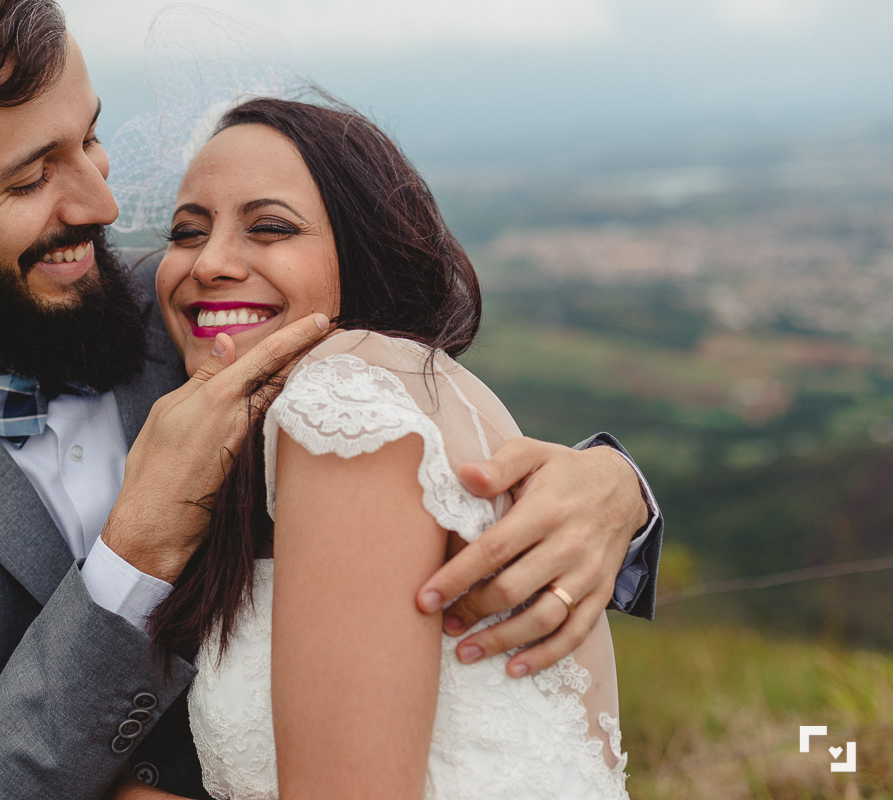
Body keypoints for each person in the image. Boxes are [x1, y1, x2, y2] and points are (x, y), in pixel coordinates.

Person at [0, 2, 659, 798]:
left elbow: (422, 432)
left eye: (89, 138)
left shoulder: (210, 303)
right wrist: (134, 554)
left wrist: (618, 492)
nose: (99, 204)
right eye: (31, 177)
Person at [128, 97, 636, 799]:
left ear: (362, 250)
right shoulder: (404, 385)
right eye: (187, 232)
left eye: (270, 227)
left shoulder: (342, 400)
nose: (210, 261)